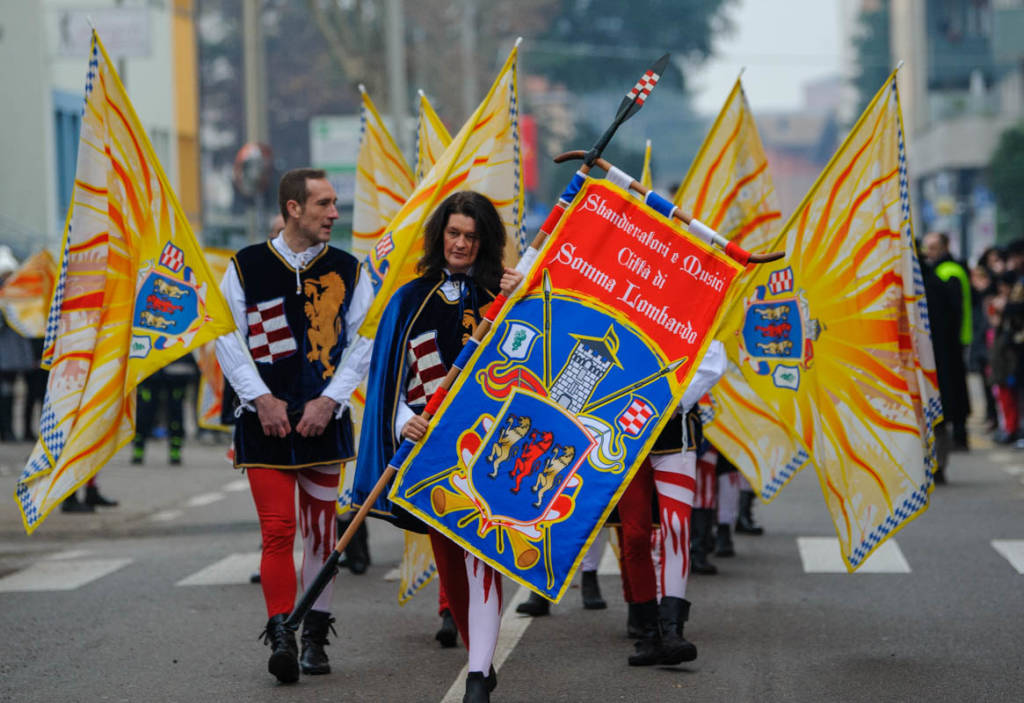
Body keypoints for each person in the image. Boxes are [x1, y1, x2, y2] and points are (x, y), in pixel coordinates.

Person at [354, 191, 523, 702]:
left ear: (484, 241)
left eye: (472, 237)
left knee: (482, 556)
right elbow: (392, 381)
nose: (461, 244)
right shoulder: (409, 299)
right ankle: (481, 658)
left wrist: (529, 297)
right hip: (429, 454)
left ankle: (477, 675)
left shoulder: (509, 295)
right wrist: (405, 421)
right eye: (454, 233)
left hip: (494, 449)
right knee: (452, 566)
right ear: (439, 235)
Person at [215, 168, 374, 684]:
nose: (334, 213)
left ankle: (314, 634)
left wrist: (329, 401)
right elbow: (226, 337)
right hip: (263, 424)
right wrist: (260, 398)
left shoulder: (350, 270)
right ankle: (282, 632)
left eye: (334, 204)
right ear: (292, 208)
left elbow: (362, 344)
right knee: (279, 530)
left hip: (323, 423)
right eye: (324, 204)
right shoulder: (245, 267)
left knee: (322, 534)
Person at [614, 340, 725, 666]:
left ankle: (672, 628)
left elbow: (714, 356)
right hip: (625, 429)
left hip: (675, 430)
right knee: (633, 534)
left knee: (676, 526)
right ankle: (649, 633)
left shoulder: (697, 291)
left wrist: (671, 398)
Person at [921, 231, 972, 449]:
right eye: (927, 247)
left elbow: (953, 312)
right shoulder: (945, 270)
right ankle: (958, 432)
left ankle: (959, 433)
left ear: (944, 247)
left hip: (952, 340)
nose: (928, 252)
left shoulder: (946, 272)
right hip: (953, 339)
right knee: (954, 386)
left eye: (932, 247)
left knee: (954, 387)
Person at [131, 355, 198, 465]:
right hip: (150, 371)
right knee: (144, 413)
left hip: (176, 372)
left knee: (175, 414)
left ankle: (175, 450)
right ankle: (138, 447)